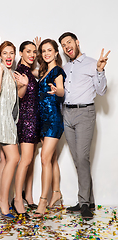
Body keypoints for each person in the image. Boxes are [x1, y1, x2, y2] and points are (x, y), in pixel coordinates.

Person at [58, 32, 110, 219]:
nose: (67, 47)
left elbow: (102, 91)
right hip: (67, 113)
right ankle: (90, 200)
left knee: (82, 158)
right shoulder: (64, 67)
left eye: (69, 42)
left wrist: (100, 71)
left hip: (85, 113)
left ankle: (84, 203)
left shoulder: (92, 63)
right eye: (63, 45)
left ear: (77, 42)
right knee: (78, 158)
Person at [0, 41, 29, 219]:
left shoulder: (13, 73)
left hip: (12, 121)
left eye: (11, 53)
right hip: (2, 120)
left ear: (15, 56)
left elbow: (19, 97)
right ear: (0, 55)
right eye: (5, 53)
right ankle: (4, 202)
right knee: (15, 157)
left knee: (6, 159)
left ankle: (1, 197)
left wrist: (23, 84)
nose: (8, 56)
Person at [34, 39, 66, 217]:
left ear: (56, 53)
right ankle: (57, 193)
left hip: (53, 120)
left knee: (44, 159)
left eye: (49, 50)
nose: (46, 53)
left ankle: (42, 201)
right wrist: (36, 49)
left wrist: (57, 91)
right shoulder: (43, 72)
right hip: (42, 121)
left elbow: (61, 90)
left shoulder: (57, 71)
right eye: (44, 51)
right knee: (52, 159)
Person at [11, 41, 40, 216]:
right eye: (28, 51)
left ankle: (28, 197)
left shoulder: (30, 71)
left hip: (35, 120)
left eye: (34, 52)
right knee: (26, 160)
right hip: (26, 120)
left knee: (31, 161)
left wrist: (40, 50)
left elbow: (43, 72)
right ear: (21, 53)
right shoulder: (20, 71)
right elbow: (19, 96)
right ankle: (17, 199)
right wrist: (24, 84)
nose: (32, 54)